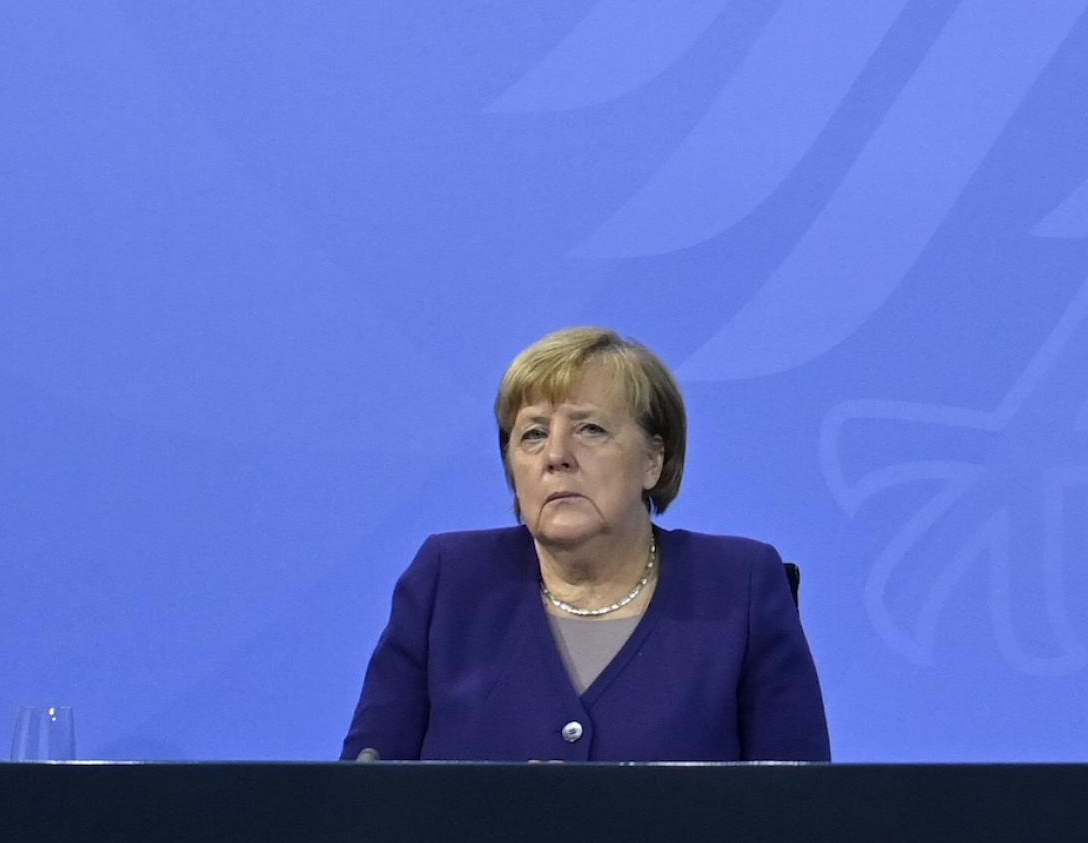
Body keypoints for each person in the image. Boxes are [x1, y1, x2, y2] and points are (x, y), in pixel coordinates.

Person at [341, 326, 830, 761]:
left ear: (652, 461)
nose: (556, 455)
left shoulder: (739, 585)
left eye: (590, 429)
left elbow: (799, 813)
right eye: (532, 434)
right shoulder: (448, 580)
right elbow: (364, 799)